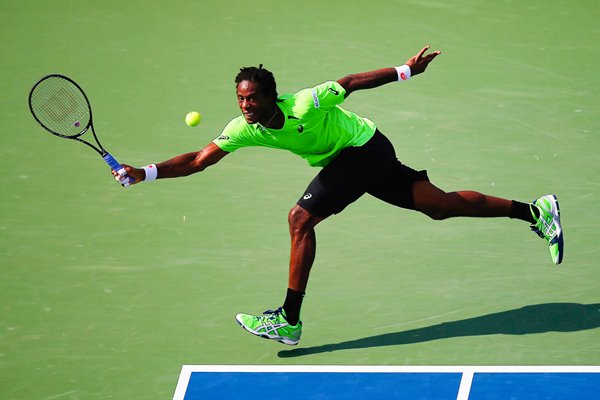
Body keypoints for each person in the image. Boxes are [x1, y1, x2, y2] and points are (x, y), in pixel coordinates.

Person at [113, 46, 564, 346]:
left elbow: (350, 81)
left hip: (364, 148)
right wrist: (145, 172)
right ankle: (535, 211)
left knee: (299, 219)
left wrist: (406, 70)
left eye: (252, 98)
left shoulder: (306, 103)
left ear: (273, 95)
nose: (245, 106)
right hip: (354, 159)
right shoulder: (243, 129)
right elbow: (198, 159)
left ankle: (288, 319)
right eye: (240, 99)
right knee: (439, 206)